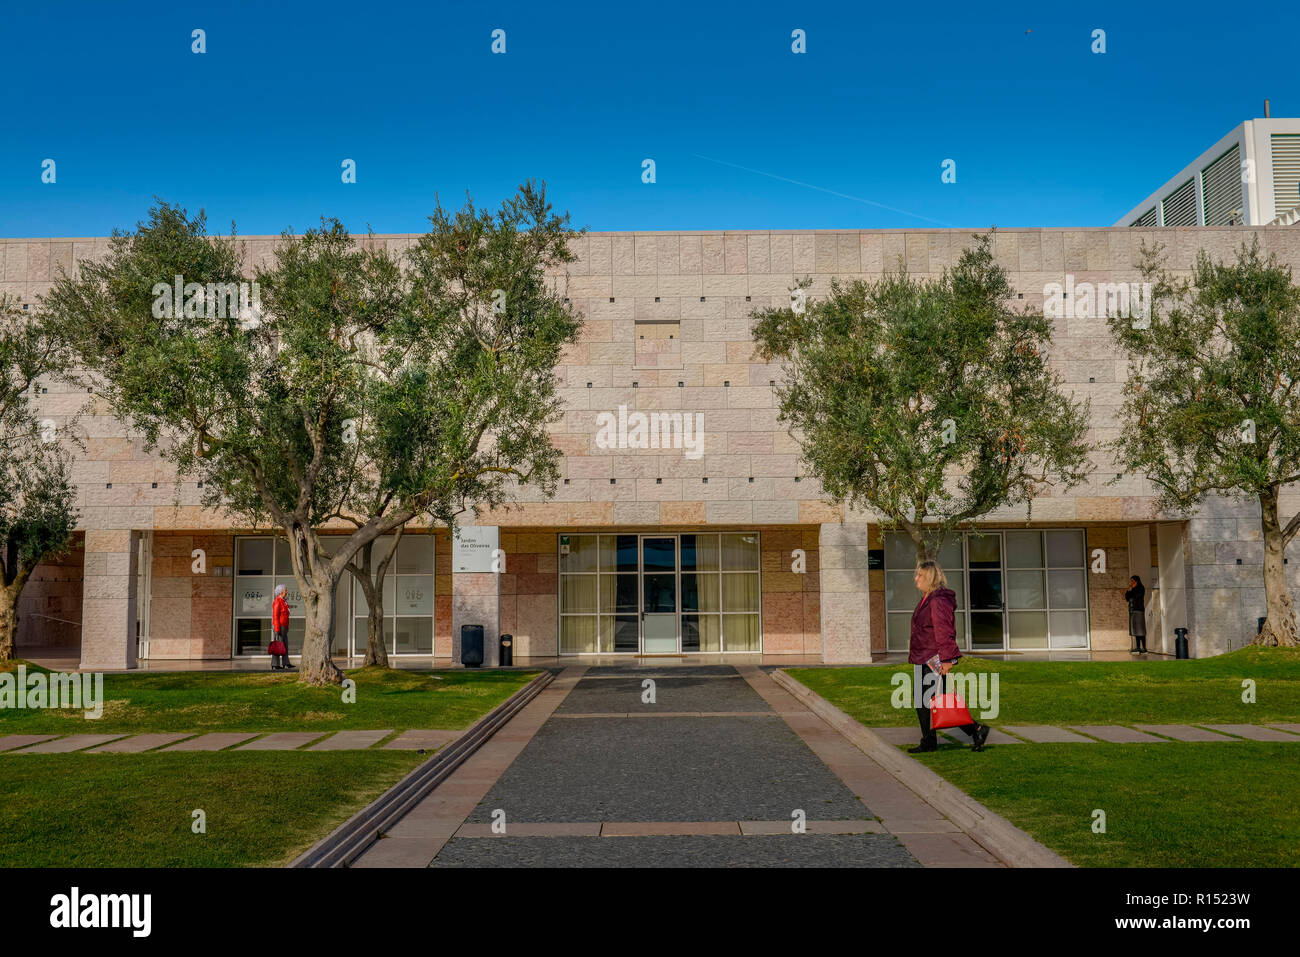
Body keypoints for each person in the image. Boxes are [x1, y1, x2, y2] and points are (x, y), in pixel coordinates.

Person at [908, 559, 990, 753]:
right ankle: (934, 740)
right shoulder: (927, 598)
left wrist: (946, 659)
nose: (916, 578)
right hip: (925, 656)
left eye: (920, 575)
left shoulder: (937, 601)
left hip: (934, 658)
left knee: (931, 700)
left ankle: (973, 730)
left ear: (929, 578)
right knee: (929, 700)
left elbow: (944, 631)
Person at [270, 584, 296, 671]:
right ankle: (275, 664)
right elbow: (275, 616)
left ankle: (286, 663)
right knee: (278, 645)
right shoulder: (278, 601)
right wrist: (277, 629)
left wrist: (286, 627)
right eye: (285, 590)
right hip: (279, 626)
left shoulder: (284, 601)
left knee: (284, 645)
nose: (287, 592)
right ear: (281, 592)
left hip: (284, 626)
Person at [1125, 575, 1147, 654]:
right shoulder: (1132, 589)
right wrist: (1128, 590)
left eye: (1132, 581)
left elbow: (1136, 596)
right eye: (1131, 581)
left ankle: (1144, 648)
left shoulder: (1141, 588)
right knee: (1135, 630)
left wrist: (1132, 589)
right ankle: (1138, 647)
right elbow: (1127, 598)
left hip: (1139, 610)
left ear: (1136, 581)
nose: (1131, 583)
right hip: (1132, 610)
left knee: (1141, 629)